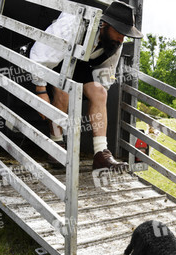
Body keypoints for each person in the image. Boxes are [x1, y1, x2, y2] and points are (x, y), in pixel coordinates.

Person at [30, 1, 143, 170]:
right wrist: (40, 90)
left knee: (100, 93)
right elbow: (40, 53)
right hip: (57, 59)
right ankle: (56, 145)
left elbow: (106, 72)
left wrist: (96, 99)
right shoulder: (73, 24)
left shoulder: (115, 42)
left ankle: (101, 154)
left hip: (81, 65)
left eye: (125, 34)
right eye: (119, 31)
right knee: (64, 88)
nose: (122, 38)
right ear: (105, 24)